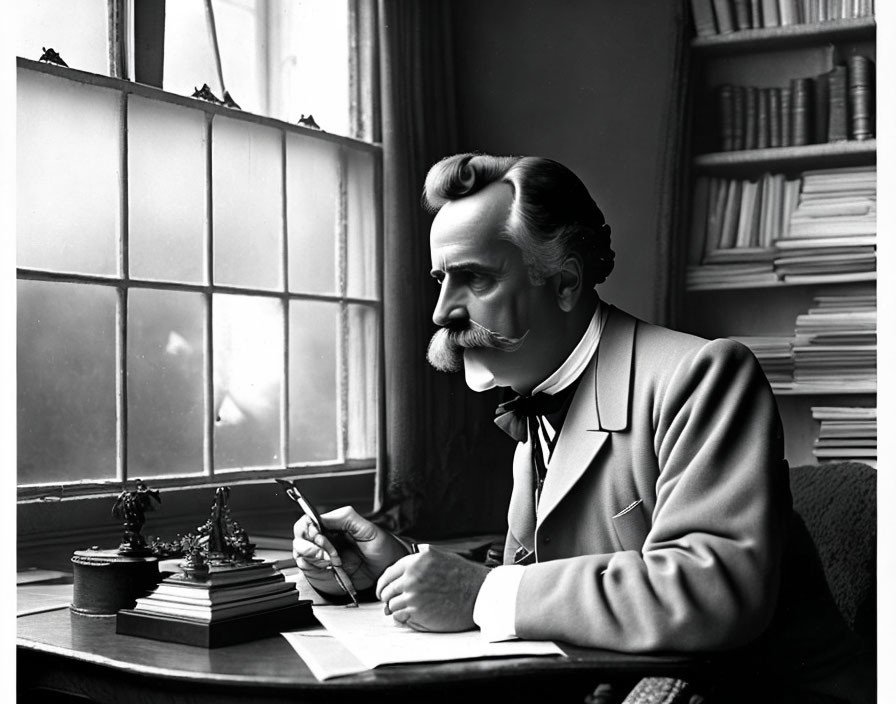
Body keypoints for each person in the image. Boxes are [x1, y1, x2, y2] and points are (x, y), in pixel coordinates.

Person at [293, 153, 871, 703]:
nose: (443, 311)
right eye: (441, 280)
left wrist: (479, 593)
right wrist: (398, 568)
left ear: (566, 282)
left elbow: (712, 589)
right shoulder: (535, 400)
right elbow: (550, 583)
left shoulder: (702, 375)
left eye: (474, 278)